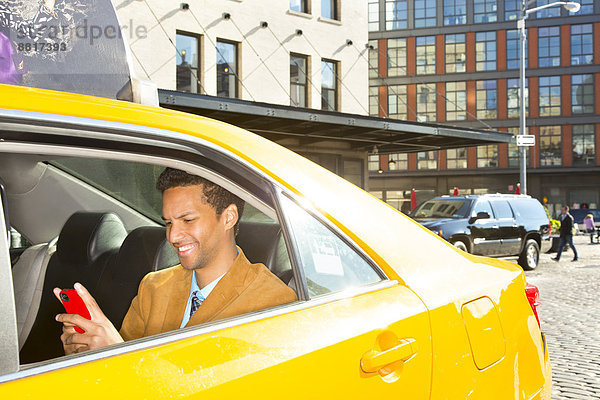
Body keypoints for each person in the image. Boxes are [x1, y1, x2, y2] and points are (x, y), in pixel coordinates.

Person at [54, 168, 297, 354]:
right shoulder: (153, 286)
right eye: (169, 222)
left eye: (187, 220)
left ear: (228, 217)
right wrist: (86, 353)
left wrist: (114, 352)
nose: (172, 236)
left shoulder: (273, 303)